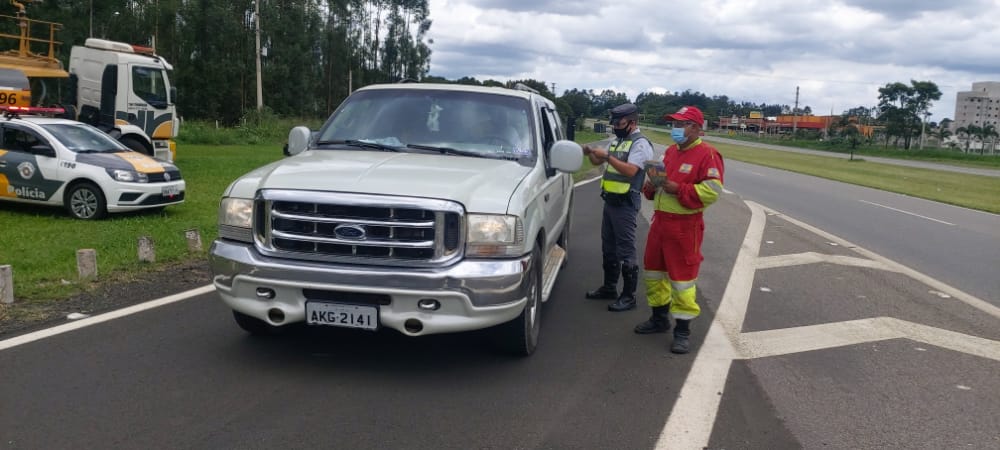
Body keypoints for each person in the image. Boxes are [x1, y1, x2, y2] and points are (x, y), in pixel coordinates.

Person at [635, 105, 724, 354]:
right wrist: (651, 186)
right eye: (673, 124)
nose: (675, 128)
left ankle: (682, 331)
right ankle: (659, 318)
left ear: (696, 128)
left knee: (682, 280)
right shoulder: (670, 152)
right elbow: (658, 185)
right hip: (660, 223)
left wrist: (679, 189)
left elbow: (712, 192)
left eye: (681, 124)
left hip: (685, 228)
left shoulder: (708, 154)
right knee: (653, 273)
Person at [582, 103, 654, 312]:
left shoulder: (640, 144)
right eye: (614, 123)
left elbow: (631, 171)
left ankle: (628, 296)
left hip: (626, 203)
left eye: (619, 123)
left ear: (632, 122)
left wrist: (606, 156)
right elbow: (599, 163)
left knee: (626, 249)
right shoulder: (619, 141)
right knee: (609, 247)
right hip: (611, 201)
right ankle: (609, 287)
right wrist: (591, 153)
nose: (615, 126)